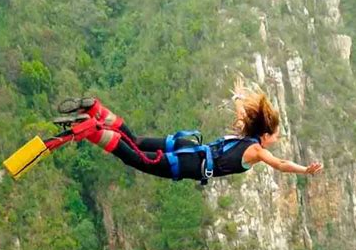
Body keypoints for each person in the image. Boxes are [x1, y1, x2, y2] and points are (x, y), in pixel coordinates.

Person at [53, 78, 323, 182]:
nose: (275, 141)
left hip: (189, 146)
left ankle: (98, 110)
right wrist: (304, 170)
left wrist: (239, 96)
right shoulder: (255, 149)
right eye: (275, 136)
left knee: (135, 140)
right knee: (134, 158)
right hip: (188, 162)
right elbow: (281, 164)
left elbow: (241, 111)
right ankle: (92, 131)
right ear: (265, 135)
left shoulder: (243, 132)